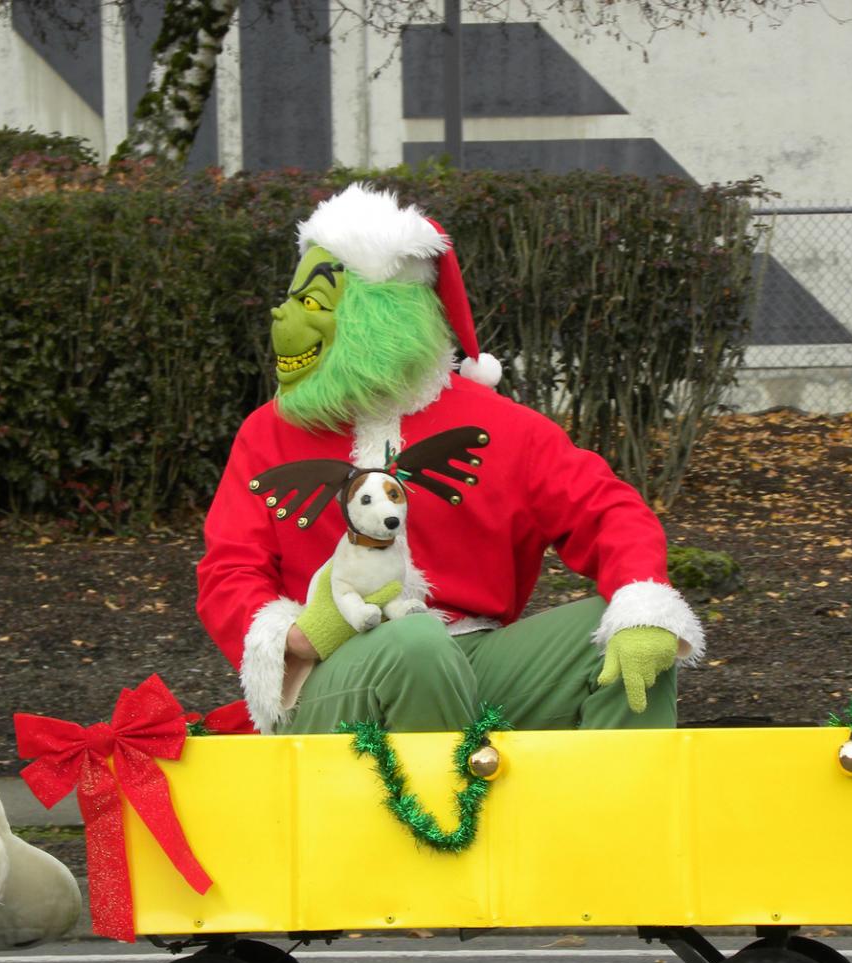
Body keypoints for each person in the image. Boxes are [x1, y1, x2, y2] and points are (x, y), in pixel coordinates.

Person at [196, 184, 704, 734]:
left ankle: (611, 794)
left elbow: (608, 512)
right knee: (415, 643)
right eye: (294, 298)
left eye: (313, 303)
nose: (283, 315)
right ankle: (447, 791)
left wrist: (641, 605)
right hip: (333, 673)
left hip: (474, 658)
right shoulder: (269, 432)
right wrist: (290, 636)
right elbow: (230, 568)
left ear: (382, 317)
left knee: (625, 631)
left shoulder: (502, 427)